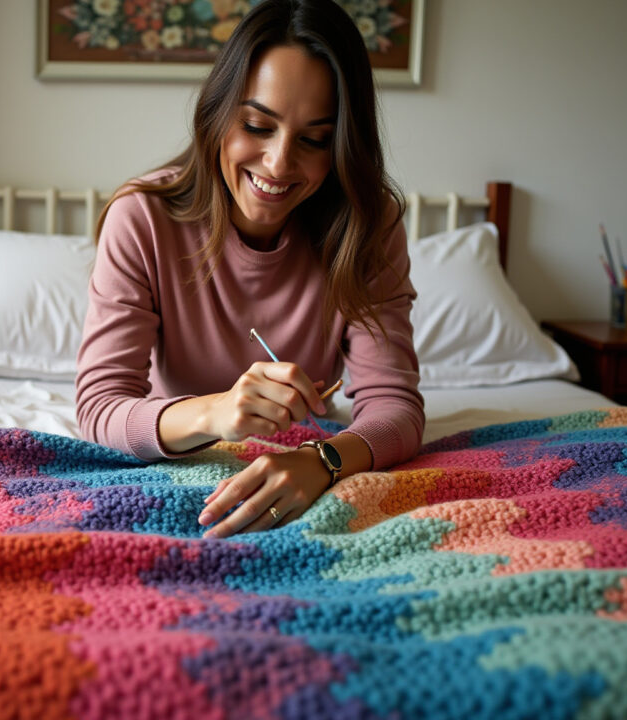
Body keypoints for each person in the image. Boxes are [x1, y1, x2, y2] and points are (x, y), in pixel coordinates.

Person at [75, 0, 423, 539]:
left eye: (314, 140)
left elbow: (394, 407)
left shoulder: (368, 228)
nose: (279, 164)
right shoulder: (141, 219)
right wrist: (215, 413)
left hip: (309, 453)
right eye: (258, 125)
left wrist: (323, 461)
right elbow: (100, 409)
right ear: (217, 113)